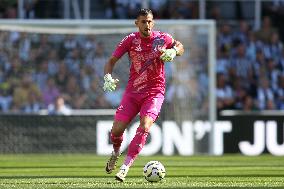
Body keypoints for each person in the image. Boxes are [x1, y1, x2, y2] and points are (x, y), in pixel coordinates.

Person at [103, 8, 184, 182]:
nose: (147, 25)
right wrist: (107, 76)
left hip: (155, 92)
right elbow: (111, 61)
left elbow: (180, 46)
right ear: (136, 23)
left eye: (149, 21)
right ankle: (116, 152)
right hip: (132, 93)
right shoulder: (130, 40)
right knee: (116, 131)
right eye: (143, 22)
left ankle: (125, 167)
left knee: (145, 125)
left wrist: (174, 51)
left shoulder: (163, 38)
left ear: (152, 22)